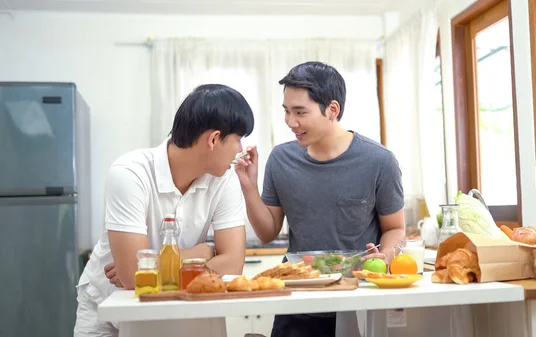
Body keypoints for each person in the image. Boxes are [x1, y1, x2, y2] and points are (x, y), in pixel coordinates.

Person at [234, 61, 405, 337]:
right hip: (298, 306)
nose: (291, 122)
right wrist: (248, 187)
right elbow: (267, 232)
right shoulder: (281, 159)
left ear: (332, 110)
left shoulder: (379, 161)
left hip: (358, 305)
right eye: (287, 112)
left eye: (300, 112)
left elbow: (395, 228)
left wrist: (385, 256)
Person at [74, 84, 254, 337]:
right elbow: (129, 276)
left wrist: (155, 263)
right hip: (109, 307)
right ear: (214, 139)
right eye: (238, 139)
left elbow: (233, 265)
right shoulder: (130, 173)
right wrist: (202, 253)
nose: (240, 149)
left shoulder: (224, 180)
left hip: (179, 304)